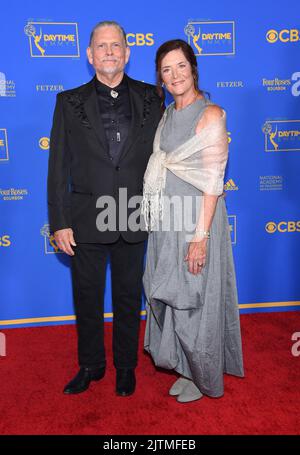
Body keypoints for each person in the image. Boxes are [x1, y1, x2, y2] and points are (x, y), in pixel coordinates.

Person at [47, 21, 162, 396]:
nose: (109, 51)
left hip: (133, 215)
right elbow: (58, 166)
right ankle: (92, 365)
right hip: (84, 221)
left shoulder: (152, 97)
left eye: (116, 45)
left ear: (128, 53)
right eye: (101, 46)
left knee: (129, 298)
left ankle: (126, 367)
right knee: (87, 297)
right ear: (90, 55)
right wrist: (59, 222)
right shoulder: (68, 102)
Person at [142, 39, 244, 403]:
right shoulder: (167, 114)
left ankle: (202, 375)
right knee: (172, 294)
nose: (174, 75)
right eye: (166, 70)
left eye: (181, 66)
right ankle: (185, 366)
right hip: (167, 222)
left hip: (197, 222)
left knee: (195, 299)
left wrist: (200, 238)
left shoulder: (211, 114)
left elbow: (213, 184)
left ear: (193, 68)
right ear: (161, 77)